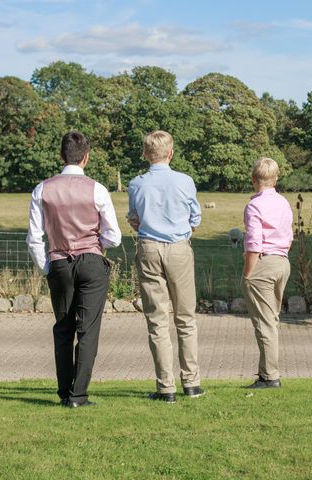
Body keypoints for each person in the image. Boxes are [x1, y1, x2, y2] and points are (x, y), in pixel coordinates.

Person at [26, 131, 121, 408]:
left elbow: (34, 237)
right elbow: (114, 236)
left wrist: (46, 266)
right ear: (86, 157)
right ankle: (79, 396)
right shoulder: (98, 189)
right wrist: (95, 246)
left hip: (58, 261)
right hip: (91, 261)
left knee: (63, 328)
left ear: (61, 155)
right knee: (88, 330)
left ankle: (64, 391)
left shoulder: (42, 189)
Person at [128, 130, 203, 403]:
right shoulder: (185, 181)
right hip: (179, 249)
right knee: (185, 318)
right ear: (170, 153)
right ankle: (192, 382)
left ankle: (166, 386)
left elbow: (134, 219)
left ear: (146, 154)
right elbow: (196, 217)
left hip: (149, 248)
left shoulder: (136, 184)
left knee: (157, 320)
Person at [241, 157, 293, 389]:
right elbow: (288, 234)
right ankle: (267, 373)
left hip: (263, 263)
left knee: (264, 323)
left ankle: (270, 376)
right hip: (282, 262)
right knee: (271, 320)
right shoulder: (284, 202)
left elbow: (254, 242)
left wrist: (247, 273)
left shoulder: (254, 206)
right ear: (276, 179)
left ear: (253, 179)